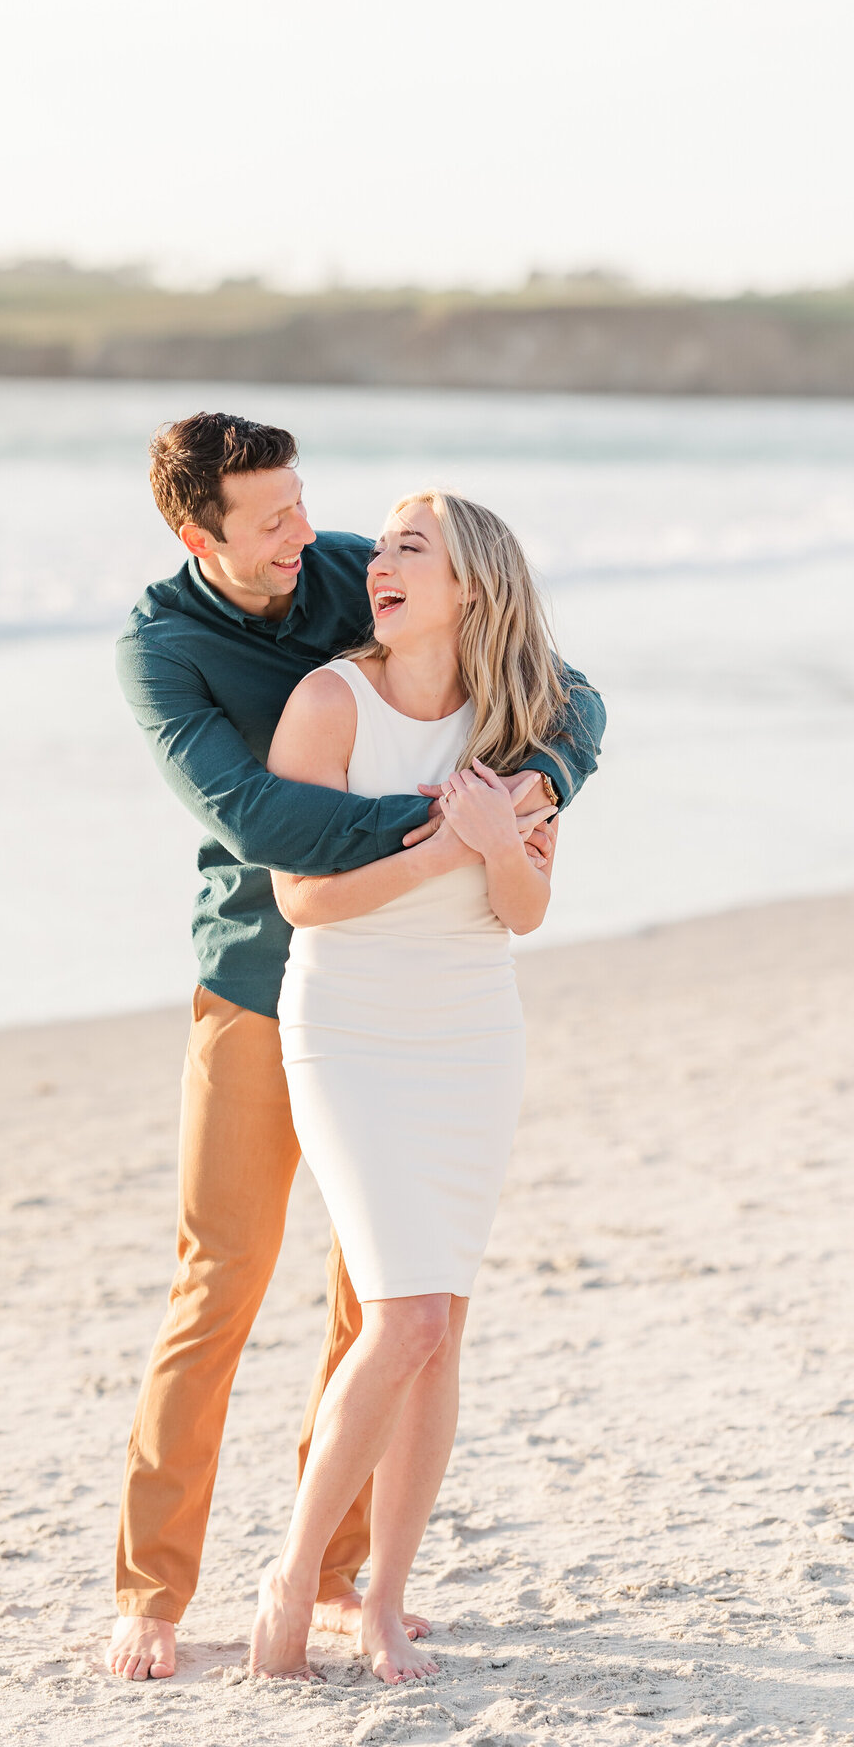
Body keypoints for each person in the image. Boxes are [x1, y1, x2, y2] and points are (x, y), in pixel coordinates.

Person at [108, 414, 605, 1682]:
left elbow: (568, 695)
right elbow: (261, 815)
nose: (303, 536)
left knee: (380, 1304)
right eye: (268, 520)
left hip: (427, 986)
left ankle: (335, 1574)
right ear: (197, 533)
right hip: (262, 981)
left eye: (299, 503)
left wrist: (528, 790)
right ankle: (153, 1593)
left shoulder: (355, 571)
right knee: (219, 1279)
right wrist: (456, 820)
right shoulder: (163, 650)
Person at [250, 488, 569, 1683]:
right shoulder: (330, 702)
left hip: (474, 1029)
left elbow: (527, 911)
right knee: (407, 1317)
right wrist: (448, 841)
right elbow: (303, 897)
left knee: (445, 1333)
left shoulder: (520, 726)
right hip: (350, 1022)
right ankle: (294, 1571)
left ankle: (383, 1598)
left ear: (471, 585)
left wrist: (500, 840)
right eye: (380, 547)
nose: (380, 563)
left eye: (411, 548)